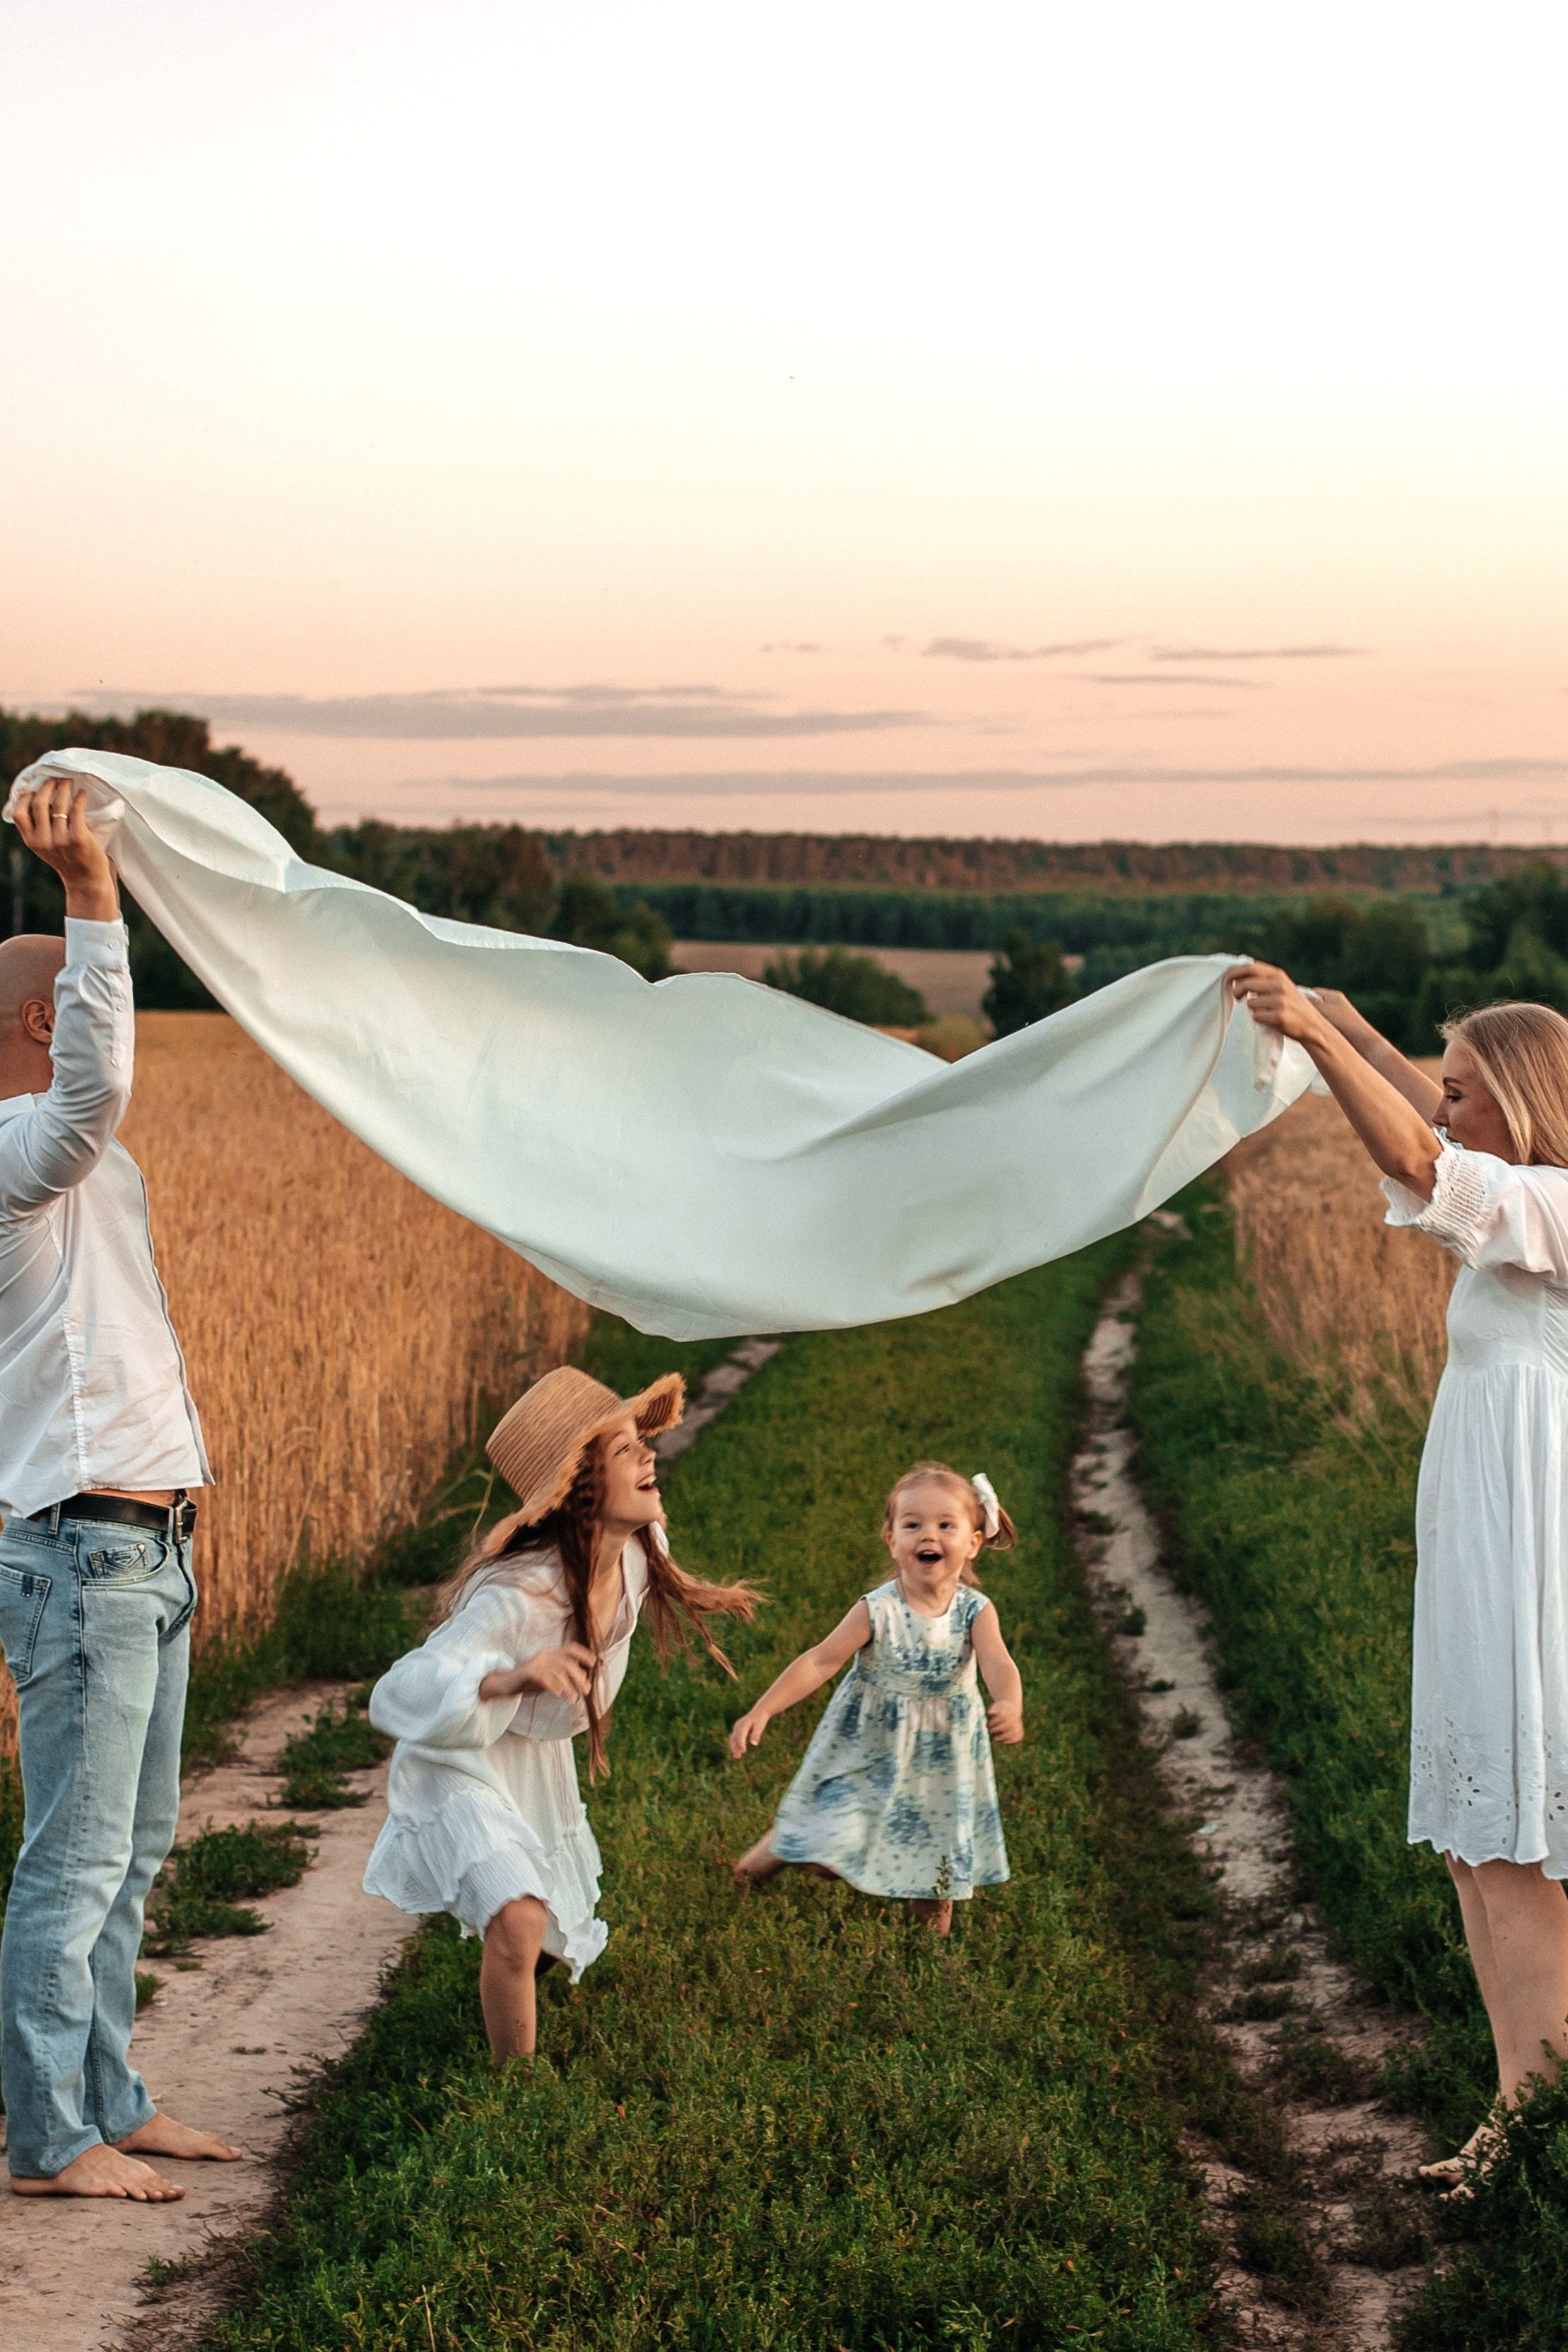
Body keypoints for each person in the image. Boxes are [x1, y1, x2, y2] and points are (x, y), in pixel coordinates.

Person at [1231, 960, 1568, 2186]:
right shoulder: (1522, 1195)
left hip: (1532, 1550)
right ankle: (1520, 2105)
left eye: (1461, 1089)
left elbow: (1425, 1167)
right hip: (1485, 1540)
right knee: (1477, 1842)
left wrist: (1321, 1043)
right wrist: (1350, 1026)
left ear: (1524, 1102)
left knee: (1510, 1842)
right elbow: (1434, 1136)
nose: (1440, 1105)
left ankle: (1535, 2123)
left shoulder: (1554, 1204)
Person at [0, 778, 239, 2201]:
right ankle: (49, 2136)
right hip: (85, 1557)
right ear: (46, 1019)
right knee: (74, 1861)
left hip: (145, 1548)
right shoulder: (13, 1154)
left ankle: (108, 2097)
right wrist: (91, 890)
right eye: (76, 995)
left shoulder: (73, 1168)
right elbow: (90, 1093)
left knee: (131, 1854)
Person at [363, 1364, 760, 2059]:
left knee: (536, 1938)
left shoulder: (637, 1551)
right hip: (457, 1765)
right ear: (580, 1487)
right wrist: (508, 1678)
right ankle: (513, 2094)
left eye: (643, 1441)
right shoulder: (519, 1594)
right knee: (518, 1921)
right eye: (625, 1449)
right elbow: (395, 1692)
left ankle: (505, 1989)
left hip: (530, 1758)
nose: (649, 1455)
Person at [729, 1462, 1023, 1935]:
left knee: (936, 1856)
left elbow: (999, 1664)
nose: (928, 1535)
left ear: (973, 1542)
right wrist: (763, 1708)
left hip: (942, 1761)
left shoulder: (975, 1612)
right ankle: (778, 1848)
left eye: (945, 1525)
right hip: (870, 1749)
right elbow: (819, 1661)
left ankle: (930, 1956)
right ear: (891, 1540)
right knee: (825, 1855)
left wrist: (1009, 1704)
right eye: (913, 1525)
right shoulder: (878, 1608)